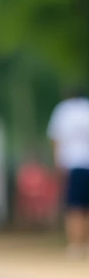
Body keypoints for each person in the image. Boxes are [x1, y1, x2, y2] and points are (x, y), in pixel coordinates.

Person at [47, 87, 89, 257]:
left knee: (74, 206)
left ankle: (75, 245)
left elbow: (57, 138)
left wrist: (57, 163)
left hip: (73, 164)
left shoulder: (63, 110)